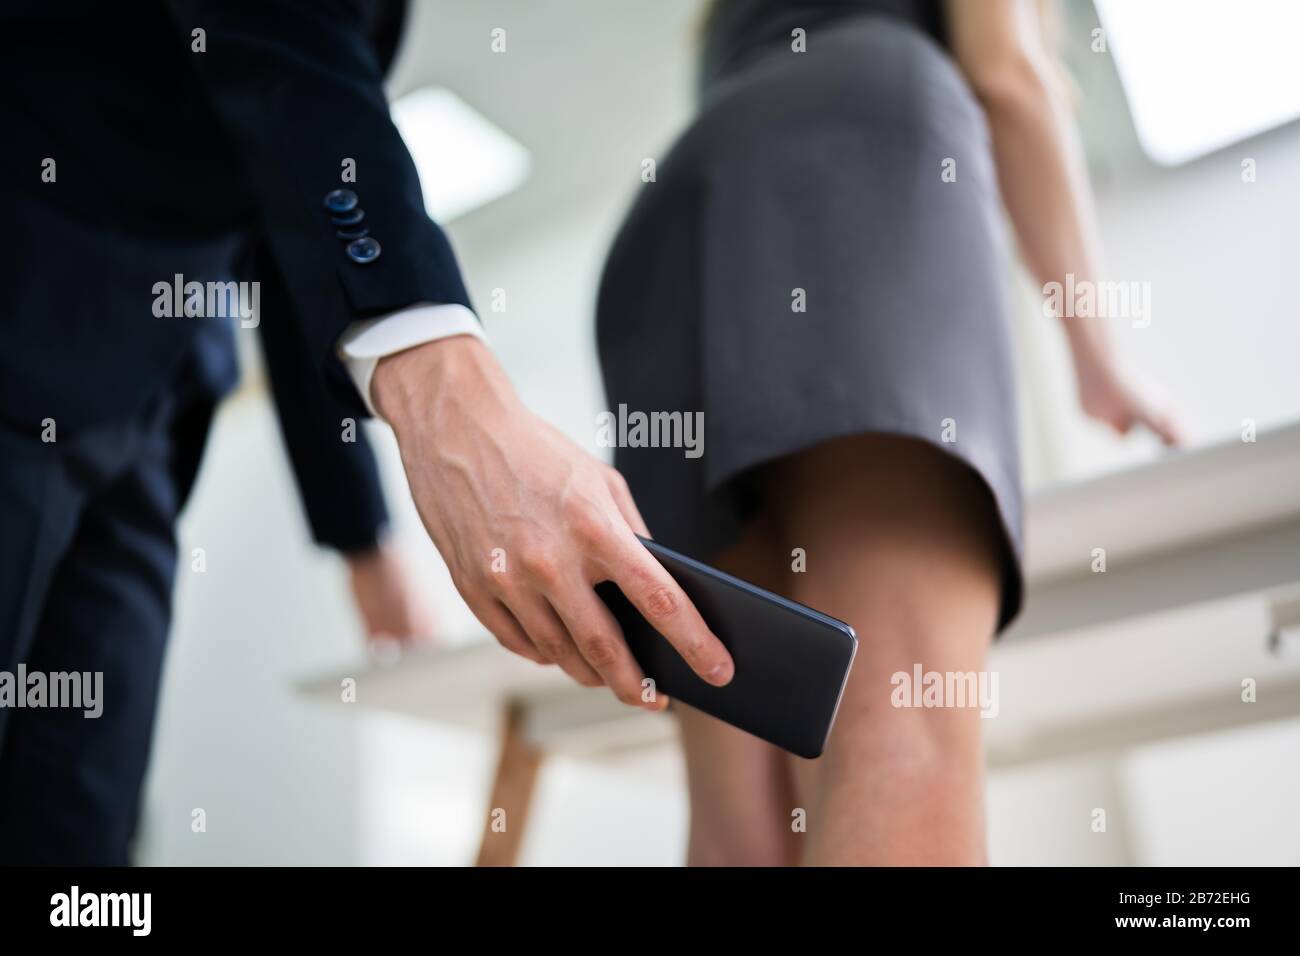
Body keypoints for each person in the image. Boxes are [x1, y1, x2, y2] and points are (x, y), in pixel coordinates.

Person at [2, 0, 730, 864]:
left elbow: (279, 199)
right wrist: (447, 392)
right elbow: (282, 39)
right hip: (25, 284)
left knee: (81, 828)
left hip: (160, 407)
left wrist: (365, 544)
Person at [596, 0, 1183, 865]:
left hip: (674, 221)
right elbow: (1008, 74)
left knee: (741, 822)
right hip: (866, 163)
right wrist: (1096, 355)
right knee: (900, 740)